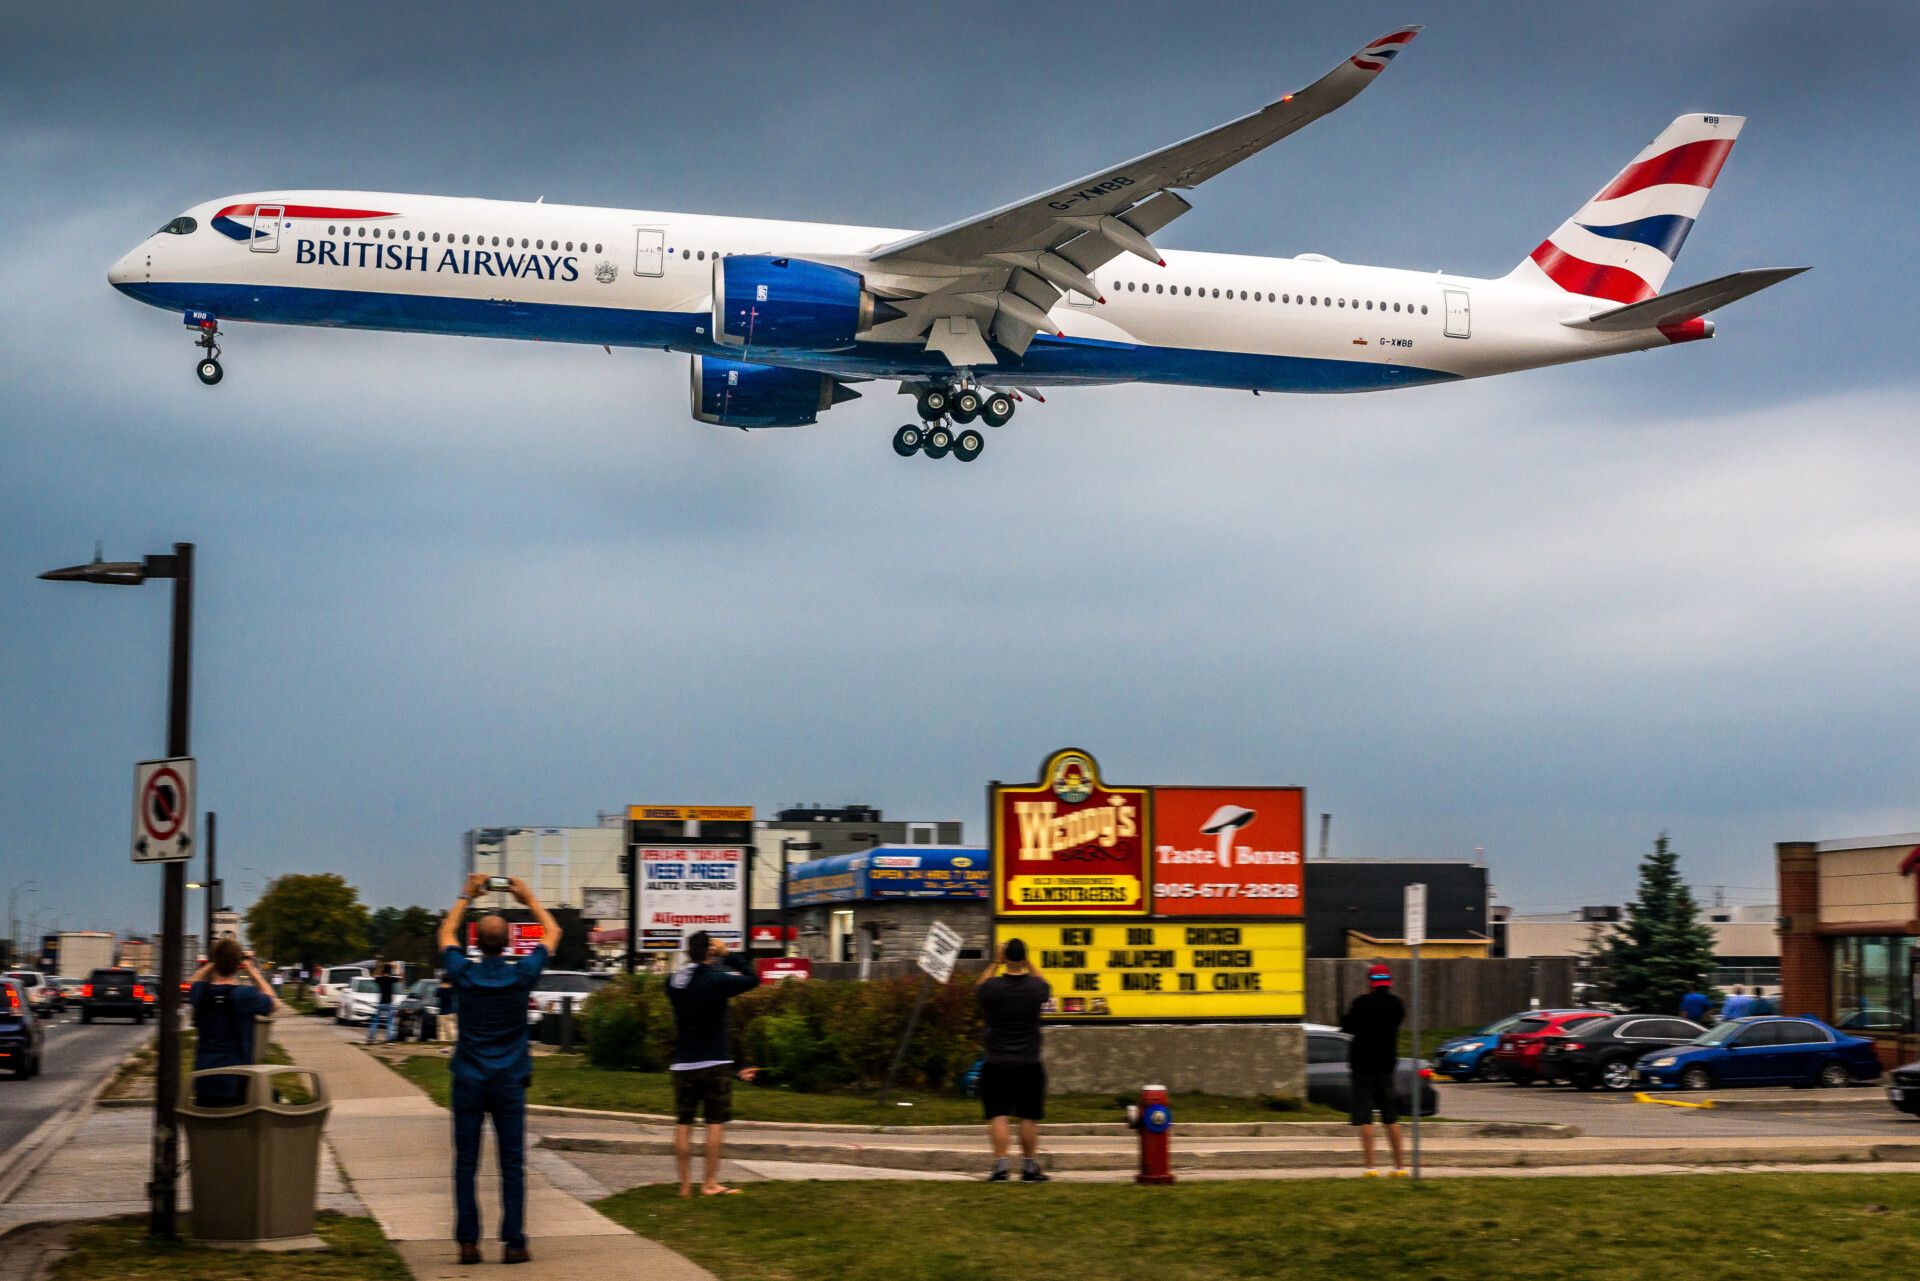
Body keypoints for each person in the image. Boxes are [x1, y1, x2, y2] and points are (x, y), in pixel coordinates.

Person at [436, 874, 559, 1266]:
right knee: (511, 1165)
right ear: (508, 943)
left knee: (465, 1164)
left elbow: (445, 934)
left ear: (476, 943)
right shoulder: (522, 974)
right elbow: (553, 931)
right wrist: (528, 898)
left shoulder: (464, 973)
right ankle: (514, 1242)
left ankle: (468, 1243)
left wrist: (465, 895)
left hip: (469, 1078)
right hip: (509, 1080)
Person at [665, 930, 762, 1197]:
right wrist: (728, 954)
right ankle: (709, 1183)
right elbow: (753, 978)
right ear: (709, 951)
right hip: (715, 1060)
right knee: (714, 1123)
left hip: (683, 1063)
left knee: (683, 1124)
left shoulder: (673, 982)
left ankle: (684, 1186)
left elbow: (683, 979)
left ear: (688, 952)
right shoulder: (717, 982)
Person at [974, 938, 1052, 1182]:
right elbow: (1045, 984)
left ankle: (1001, 1167)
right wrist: (1027, 963)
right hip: (1028, 1061)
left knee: (998, 1114)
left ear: (1006, 958)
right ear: (1024, 958)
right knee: (1028, 1115)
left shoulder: (993, 987)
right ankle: (1029, 1168)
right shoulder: (1035, 988)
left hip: (996, 1061)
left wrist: (996, 962)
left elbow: (978, 987)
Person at [188, 939, 279, 1107]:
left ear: (214, 961)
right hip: (236, 1082)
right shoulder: (244, 995)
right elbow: (274, 1003)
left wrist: (213, 962)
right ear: (237, 965)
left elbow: (193, 983)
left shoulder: (201, 992)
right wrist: (252, 971)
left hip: (204, 1080)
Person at [1340, 963, 1406, 1177]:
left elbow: (1348, 1026)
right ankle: (1399, 1167)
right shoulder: (1396, 1005)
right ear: (1389, 982)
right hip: (1386, 1067)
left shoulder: (1361, 1004)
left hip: (1362, 1067)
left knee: (1365, 1119)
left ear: (1370, 982)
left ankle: (1371, 1167)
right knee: (1391, 1117)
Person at [367, 960, 401, 1044]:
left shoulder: (380, 979)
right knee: (390, 1022)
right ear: (390, 971)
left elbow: (373, 975)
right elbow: (401, 978)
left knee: (375, 1021)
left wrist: (379, 967)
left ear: (383, 971)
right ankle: (389, 1038)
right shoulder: (392, 979)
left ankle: (371, 1037)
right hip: (389, 1003)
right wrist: (397, 967)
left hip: (381, 1003)